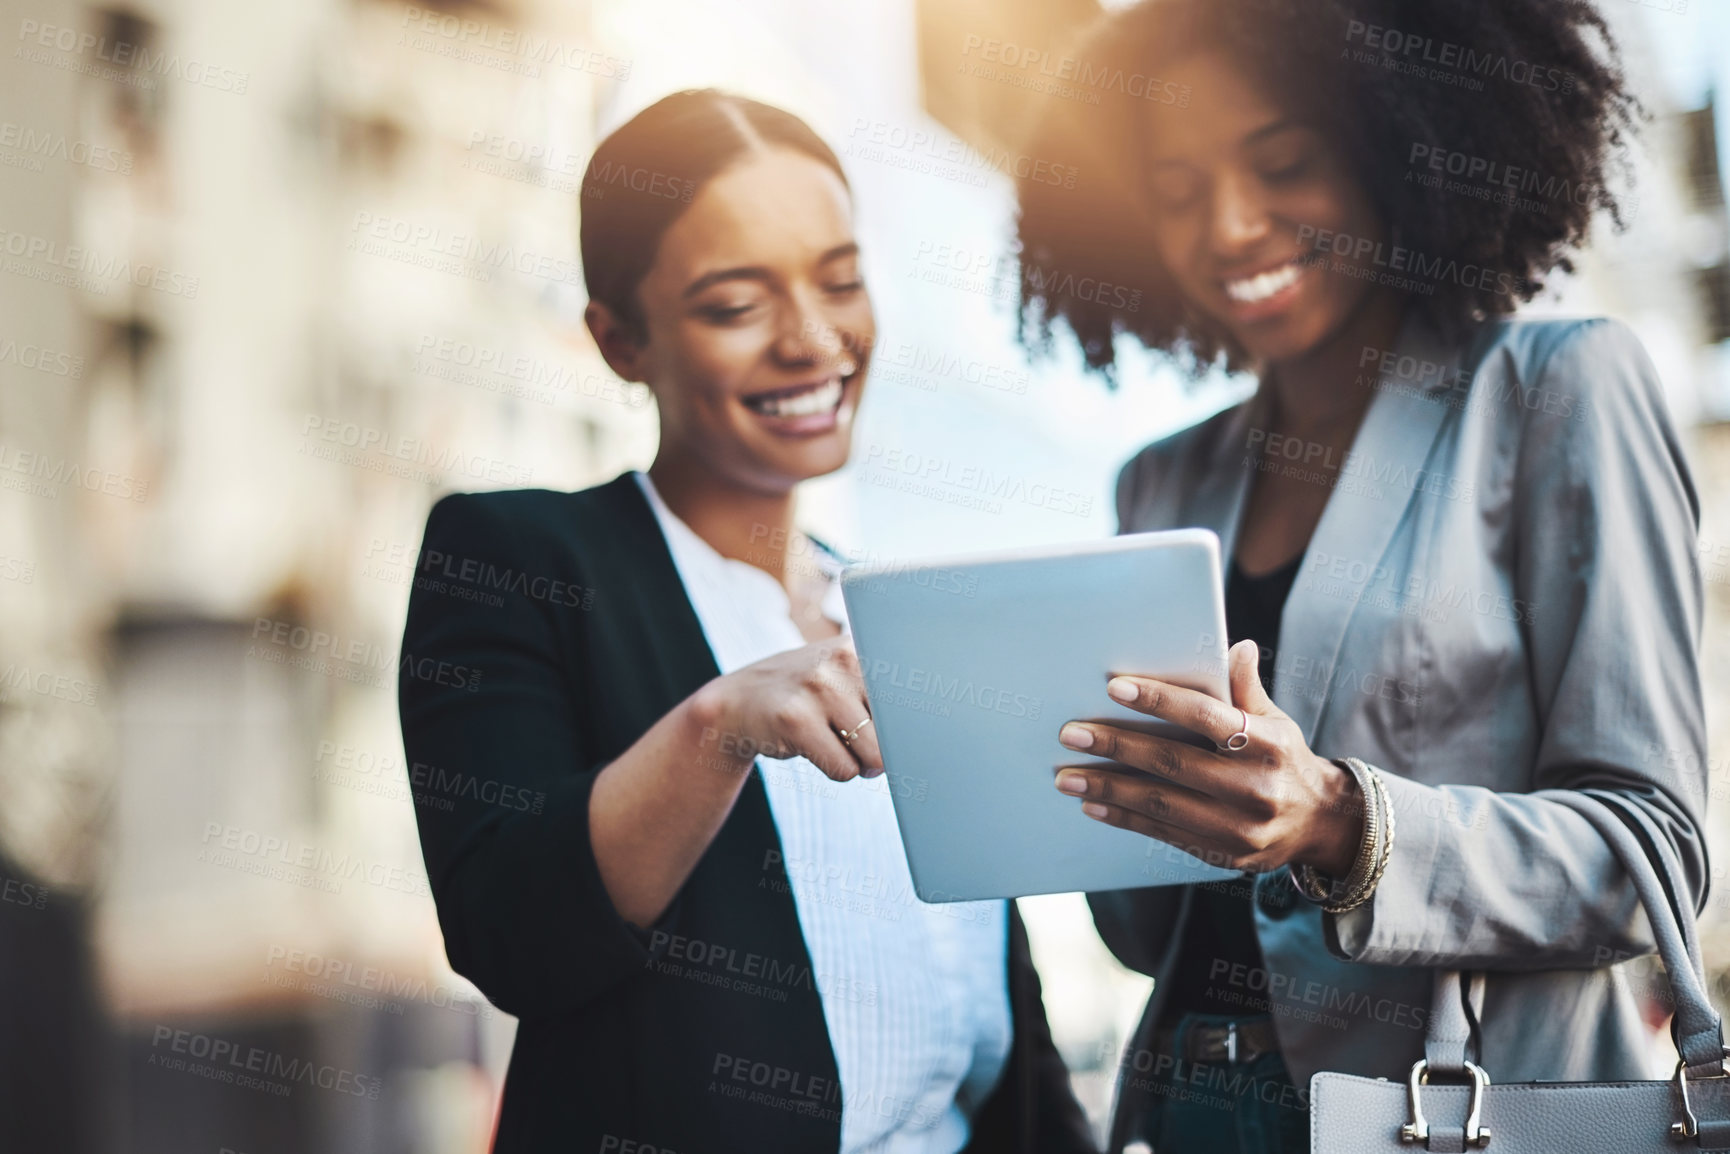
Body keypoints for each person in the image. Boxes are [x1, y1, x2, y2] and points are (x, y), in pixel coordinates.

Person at [1013, 2, 1708, 1152]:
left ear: (1390, 144)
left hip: (1450, 1116)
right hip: (1189, 1104)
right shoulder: (1158, 484)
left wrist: (1342, 821)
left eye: (1282, 164)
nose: (1229, 226)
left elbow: (1650, 854)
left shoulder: (1555, 392)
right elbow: (1145, 929)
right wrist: (1067, 789)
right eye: (1176, 191)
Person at [399, 89, 1095, 1154]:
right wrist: (716, 724)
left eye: (840, 280)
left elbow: (993, 997)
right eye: (735, 304)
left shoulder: (896, 609)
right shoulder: (517, 562)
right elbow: (514, 930)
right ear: (620, 340)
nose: (813, 340)